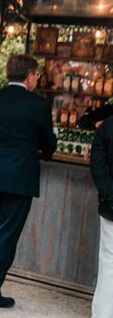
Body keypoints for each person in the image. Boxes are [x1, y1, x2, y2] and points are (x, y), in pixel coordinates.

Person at [0, 54, 57, 308]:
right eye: (37, 75)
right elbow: (48, 145)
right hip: (18, 177)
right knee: (6, 234)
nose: (37, 80)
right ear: (29, 76)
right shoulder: (39, 106)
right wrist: (42, 152)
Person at [89, 115, 113, 318]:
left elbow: (97, 163)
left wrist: (109, 195)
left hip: (112, 207)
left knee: (109, 264)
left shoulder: (108, 125)